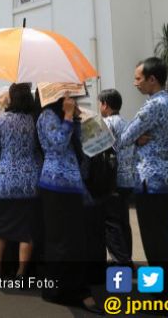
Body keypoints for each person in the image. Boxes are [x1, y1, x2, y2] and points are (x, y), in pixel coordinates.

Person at [118, 57, 168, 299]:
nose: (135, 83)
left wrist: (136, 137)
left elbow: (124, 136)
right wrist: (139, 137)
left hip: (149, 179)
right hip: (167, 176)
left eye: (138, 78)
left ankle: (157, 295)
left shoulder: (152, 106)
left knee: (154, 244)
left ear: (152, 79)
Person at [37, 93, 101, 314]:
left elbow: (83, 146)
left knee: (75, 241)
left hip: (73, 183)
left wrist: (77, 120)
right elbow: (56, 145)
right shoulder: (47, 116)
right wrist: (67, 116)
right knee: (59, 241)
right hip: (55, 183)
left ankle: (74, 288)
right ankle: (59, 290)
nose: (70, 98)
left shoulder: (70, 116)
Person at [0, 83, 40, 280]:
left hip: (4, 180)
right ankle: (21, 272)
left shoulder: (1, 121)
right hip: (29, 181)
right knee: (26, 230)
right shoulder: (35, 121)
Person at [98, 89, 137, 266]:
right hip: (128, 179)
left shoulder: (106, 123)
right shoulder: (126, 122)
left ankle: (120, 261)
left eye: (100, 103)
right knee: (123, 220)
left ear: (105, 104)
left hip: (112, 180)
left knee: (111, 223)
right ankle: (126, 256)